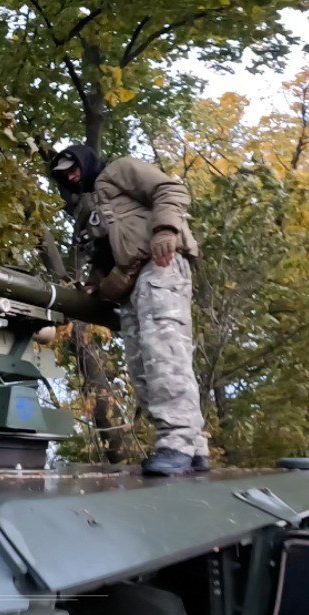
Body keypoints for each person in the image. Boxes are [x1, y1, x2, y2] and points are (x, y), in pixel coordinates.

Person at [49, 145, 210, 476]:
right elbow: (102, 255)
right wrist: (95, 284)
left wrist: (166, 228)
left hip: (159, 264)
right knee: (141, 369)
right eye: (63, 175)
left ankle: (178, 442)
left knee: (165, 354)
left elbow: (169, 188)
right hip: (129, 287)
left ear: (86, 160)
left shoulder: (120, 171)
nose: (71, 176)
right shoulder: (86, 210)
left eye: (73, 167)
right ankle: (193, 448)